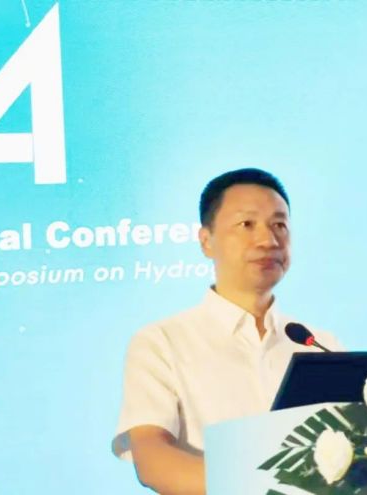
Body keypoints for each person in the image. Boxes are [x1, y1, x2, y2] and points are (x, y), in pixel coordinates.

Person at [112, 168, 342, 494]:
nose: (268, 240)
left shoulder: (320, 345)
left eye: (279, 225)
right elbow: (153, 460)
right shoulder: (161, 342)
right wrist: (270, 487)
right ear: (206, 241)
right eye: (246, 224)